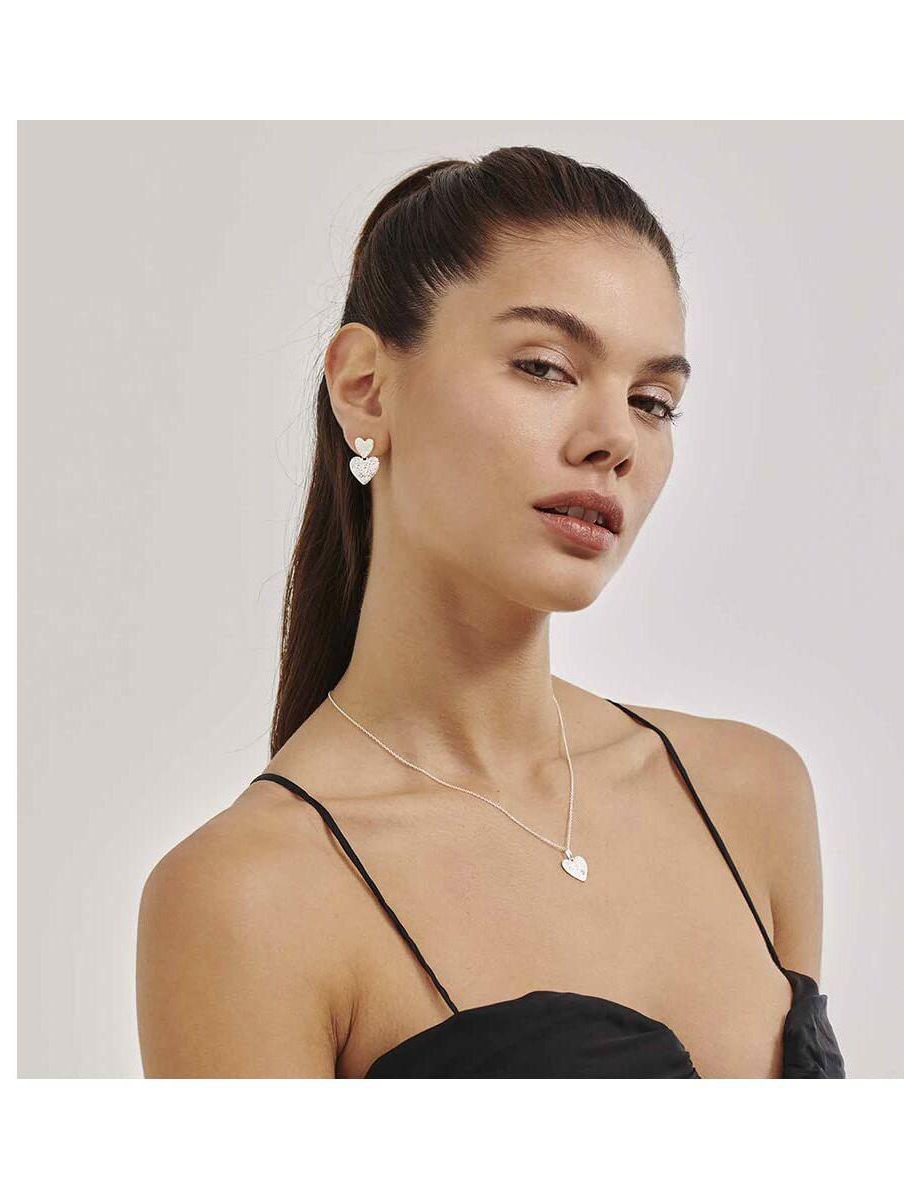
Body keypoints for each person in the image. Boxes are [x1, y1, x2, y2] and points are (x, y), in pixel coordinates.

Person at [135, 146, 845, 1078]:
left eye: (653, 402)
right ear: (364, 388)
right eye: (546, 367)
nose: (615, 441)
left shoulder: (750, 794)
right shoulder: (251, 897)